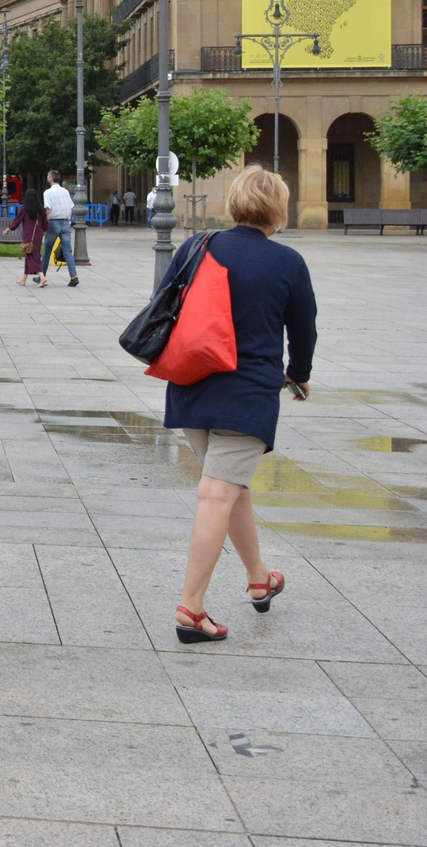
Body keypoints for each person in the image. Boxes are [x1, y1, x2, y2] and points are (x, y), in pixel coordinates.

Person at [161, 167, 315, 645]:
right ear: (278, 208)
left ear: (234, 202)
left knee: (231, 486)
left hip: (191, 384)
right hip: (246, 394)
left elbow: (163, 301)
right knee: (217, 493)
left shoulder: (197, 246)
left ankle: (258, 577)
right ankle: (192, 607)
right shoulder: (287, 262)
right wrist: (299, 375)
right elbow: (303, 331)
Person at [39, 170, 79, 287]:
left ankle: (42, 276)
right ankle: (74, 276)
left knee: (47, 250)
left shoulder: (48, 192)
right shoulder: (65, 191)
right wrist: (69, 221)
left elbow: (48, 209)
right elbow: (72, 208)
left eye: (48, 176)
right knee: (68, 250)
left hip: (53, 222)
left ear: (51, 179)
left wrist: (44, 225)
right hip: (66, 223)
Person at [5, 183, 45, 286]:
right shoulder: (40, 209)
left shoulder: (24, 209)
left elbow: (17, 220)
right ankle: (23, 279)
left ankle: (42, 277)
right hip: (38, 235)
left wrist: (9, 229)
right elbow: (45, 222)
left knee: (33, 256)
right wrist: (44, 230)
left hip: (28, 235)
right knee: (30, 254)